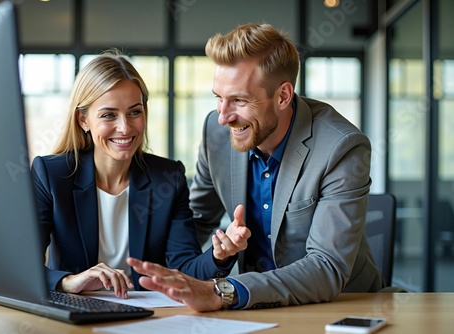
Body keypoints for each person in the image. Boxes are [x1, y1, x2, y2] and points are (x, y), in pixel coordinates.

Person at [127, 23, 386, 310]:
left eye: (238, 100)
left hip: (340, 304)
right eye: (218, 97)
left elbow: (327, 267)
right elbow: (195, 224)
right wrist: (137, 275)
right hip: (255, 304)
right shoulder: (216, 132)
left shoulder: (340, 147)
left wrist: (222, 291)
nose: (223, 117)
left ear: (283, 96)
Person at [31, 49, 250, 299]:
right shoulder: (51, 174)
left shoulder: (168, 177)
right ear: (83, 120)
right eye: (108, 115)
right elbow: (24, 266)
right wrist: (69, 282)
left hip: (147, 313)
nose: (125, 127)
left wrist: (219, 256)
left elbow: (186, 268)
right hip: (75, 310)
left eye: (135, 111)